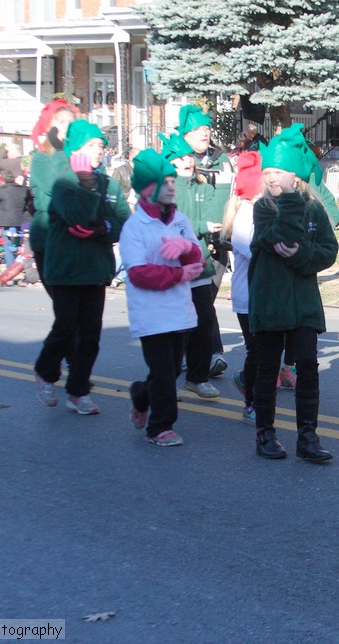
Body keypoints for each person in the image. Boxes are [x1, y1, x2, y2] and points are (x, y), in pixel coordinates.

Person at [248, 124, 338, 462]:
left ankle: (307, 436)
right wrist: (287, 200)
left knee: (308, 369)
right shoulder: (263, 208)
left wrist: (302, 255)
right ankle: (265, 433)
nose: (273, 177)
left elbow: (328, 250)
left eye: (281, 171)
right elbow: (278, 238)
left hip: (303, 304)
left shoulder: (315, 209)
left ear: (297, 174)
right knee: (267, 369)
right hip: (269, 301)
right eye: (268, 171)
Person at [33, 121, 130, 415]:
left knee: (91, 333)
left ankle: (78, 391)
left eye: (100, 145)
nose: (98, 151)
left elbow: (124, 221)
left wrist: (106, 227)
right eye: (90, 146)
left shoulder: (110, 184)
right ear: (75, 150)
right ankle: (45, 371)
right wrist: (87, 185)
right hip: (65, 267)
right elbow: (78, 218)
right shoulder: (64, 182)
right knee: (66, 326)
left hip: (95, 268)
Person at [121, 150, 205, 445]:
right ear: (146, 188)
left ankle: (140, 395)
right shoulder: (134, 227)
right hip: (151, 312)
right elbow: (139, 273)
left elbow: (198, 260)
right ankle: (160, 428)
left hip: (178, 309)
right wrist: (178, 275)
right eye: (163, 181)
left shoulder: (180, 220)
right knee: (164, 373)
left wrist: (186, 249)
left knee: (166, 372)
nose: (171, 186)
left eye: (172, 180)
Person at [160, 131, 223, 399]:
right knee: (175, 328)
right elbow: (171, 226)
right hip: (173, 268)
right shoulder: (165, 190)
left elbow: (216, 216)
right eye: (180, 158)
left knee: (204, 321)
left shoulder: (202, 186)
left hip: (199, 266)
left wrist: (223, 187)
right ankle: (167, 379)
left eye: (189, 156)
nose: (187, 161)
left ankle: (197, 378)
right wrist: (200, 227)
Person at [174, 105, 233, 379]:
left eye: (207, 129)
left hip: (218, 239)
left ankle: (206, 353)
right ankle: (203, 354)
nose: (204, 133)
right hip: (188, 243)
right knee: (194, 301)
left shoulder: (221, 159)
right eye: (198, 129)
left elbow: (230, 194)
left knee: (205, 298)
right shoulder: (176, 161)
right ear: (185, 134)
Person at [221, 150, 264, 423]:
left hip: (264, 295)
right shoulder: (245, 216)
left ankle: (247, 381)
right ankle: (251, 403)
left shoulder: (261, 210)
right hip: (248, 296)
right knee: (257, 351)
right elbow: (257, 250)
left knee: (266, 350)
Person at [29, 99, 79, 285]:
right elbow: (55, 186)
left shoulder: (78, 155)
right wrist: (59, 150)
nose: (67, 126)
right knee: (64, 303)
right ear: (50, 126)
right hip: (49, 234)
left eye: (70, 121)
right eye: (61, 121)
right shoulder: (41, 159)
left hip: (76, 236)